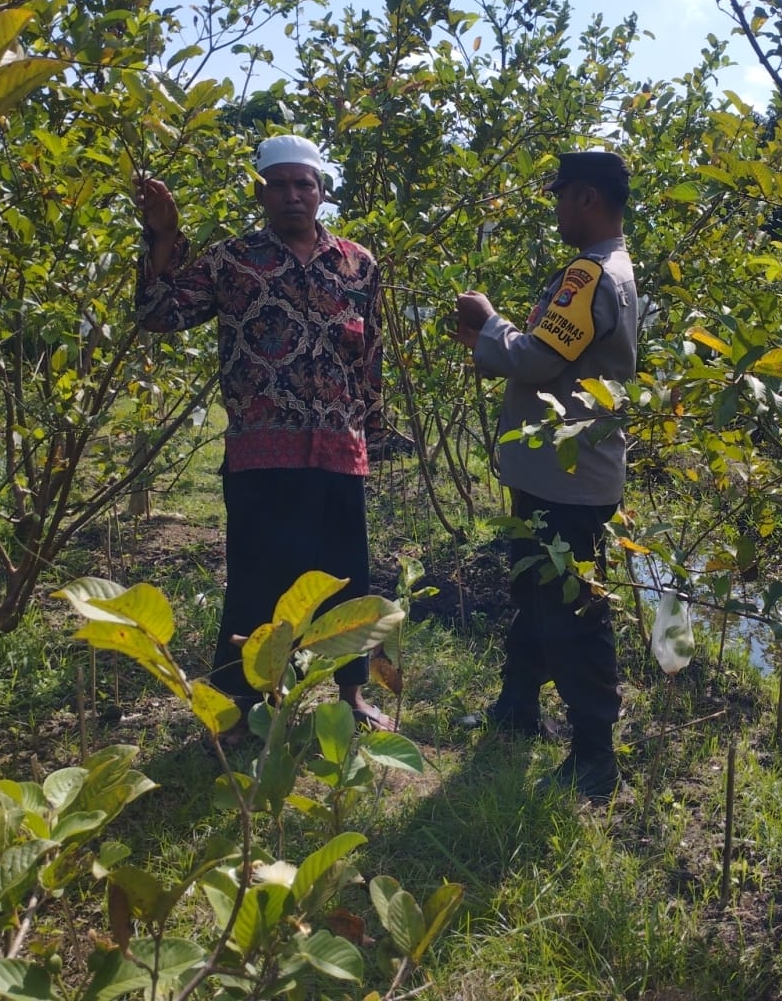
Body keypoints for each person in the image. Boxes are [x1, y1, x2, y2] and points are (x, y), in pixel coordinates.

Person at [134, 133, 395, 734]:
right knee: (256, 577)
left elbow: (370, 356)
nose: (292, 195)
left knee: (346, 574)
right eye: (278, 184)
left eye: (304, 184)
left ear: (322, 192)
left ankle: (352, 693)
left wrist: (372, 431)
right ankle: (241, 703)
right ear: (261, 192)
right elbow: (158, 313)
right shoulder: (232, 261)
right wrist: (164, 236)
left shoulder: (358, 263)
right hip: (260, 451)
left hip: (339, 448)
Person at [453, 150, 639, 800]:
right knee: (536, 591)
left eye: (562, 197)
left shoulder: (590, 275)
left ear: (586, 198)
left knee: (575, 615)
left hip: (569, 479)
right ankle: (517, 709)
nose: (557, 208)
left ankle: (595, 762)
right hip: (559, 474)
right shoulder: (609, 270)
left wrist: (486, 323)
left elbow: (533, 360)